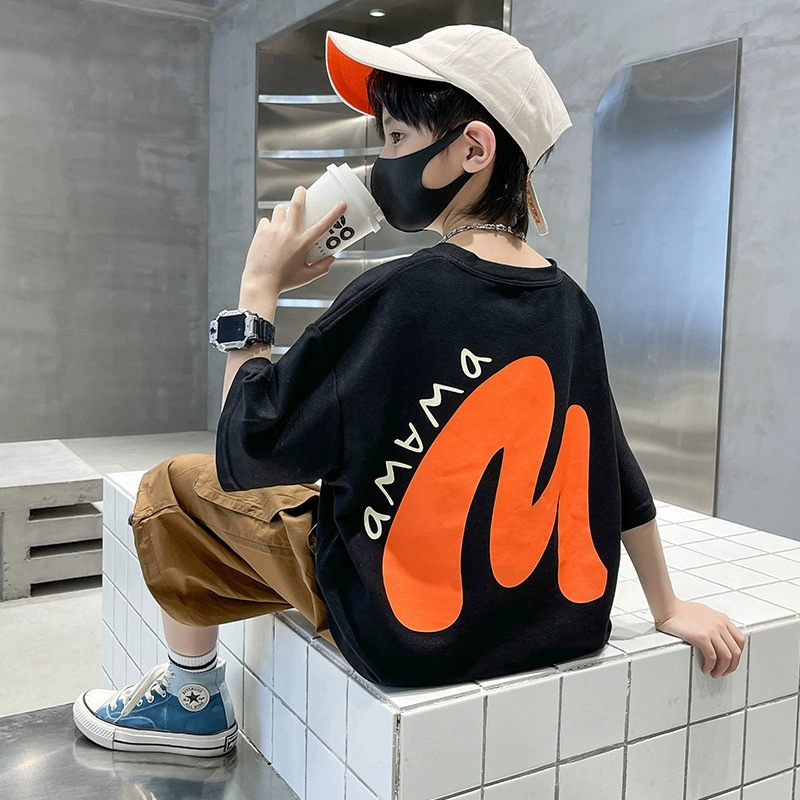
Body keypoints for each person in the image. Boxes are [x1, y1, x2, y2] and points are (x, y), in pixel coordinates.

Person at [73, 24, 746, 757]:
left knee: (172, 490)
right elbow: (613, 463)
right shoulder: (571, 305)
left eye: (395, 137)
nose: (381, 162)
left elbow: (247, 449)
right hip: (557, 626)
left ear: (473, 149)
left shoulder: (396, 294)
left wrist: (257, 292)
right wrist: (666, 605)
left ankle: (191, 699)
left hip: (402, 633)